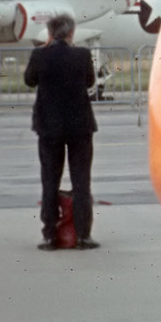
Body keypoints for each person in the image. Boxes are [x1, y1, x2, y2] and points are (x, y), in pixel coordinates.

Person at [24, 13, 98, 251]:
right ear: (71, 32)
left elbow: (29, 81)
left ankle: (49, 236)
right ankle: (83, 236)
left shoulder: (39, 56)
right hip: (79, 127)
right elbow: (89, 82)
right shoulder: (82, 55)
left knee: (49, 180)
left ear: (48, 33)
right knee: (81, 182)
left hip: (49, 127)